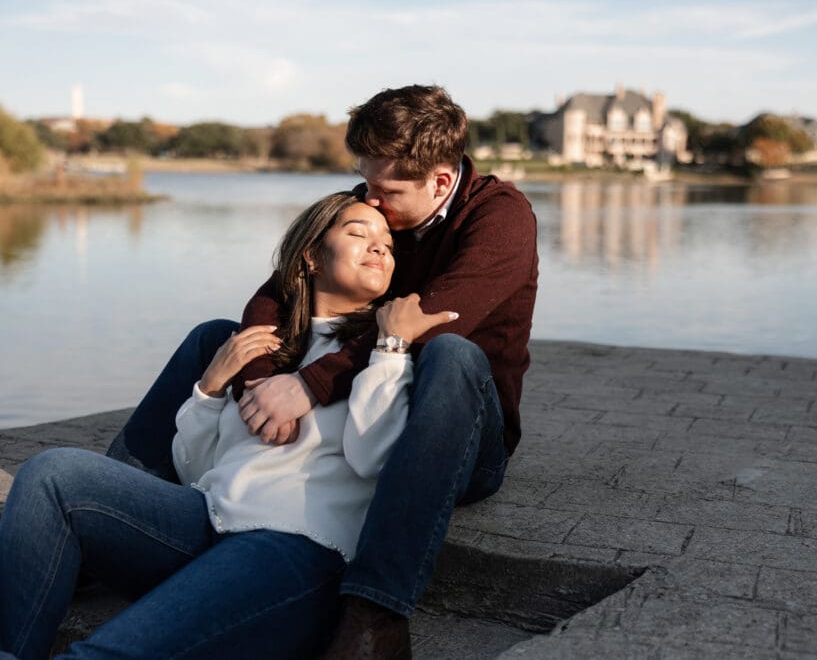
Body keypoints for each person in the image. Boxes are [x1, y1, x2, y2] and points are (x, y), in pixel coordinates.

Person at [108, 84, 539, 658]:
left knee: (449, 354)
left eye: (387, 191)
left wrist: (308, 384)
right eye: (366, 182)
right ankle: (124, 494)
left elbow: (433, 323)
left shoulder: (501, 219)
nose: (372, 202)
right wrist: (261, 378)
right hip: (374, 395)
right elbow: (278, 290)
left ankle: (376, 611)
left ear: (439, 181)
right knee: (218, 336)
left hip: (459, 434)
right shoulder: (375, 203)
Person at [0, 193, 458, 659]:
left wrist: (389, 352)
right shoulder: (263, 348)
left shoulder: (380, 352)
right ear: (309, 256)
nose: (380, 248)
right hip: (204, 521)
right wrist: (211, 387)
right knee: (51, 474)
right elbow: (197, 467)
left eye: (389, 245)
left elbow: (373, 460)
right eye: (358, 232)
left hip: (292, 549)